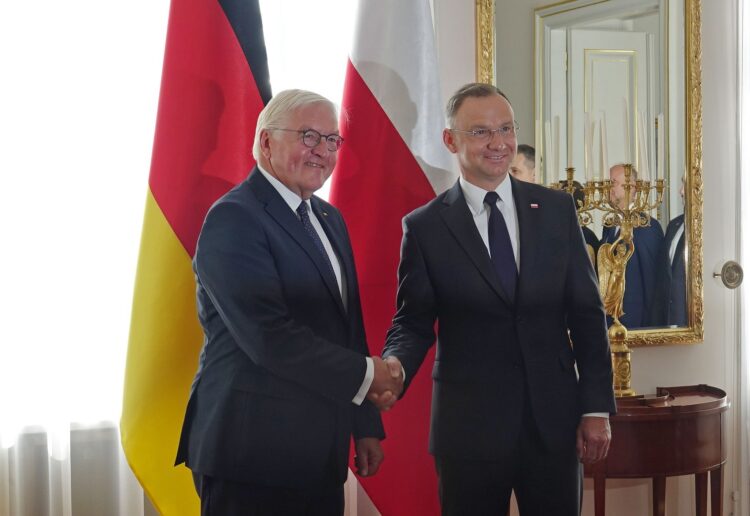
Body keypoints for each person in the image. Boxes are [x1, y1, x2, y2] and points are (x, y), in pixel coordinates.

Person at [378, 83, 616, 516]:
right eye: (481, 132)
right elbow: (412, 321)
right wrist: (394, 365)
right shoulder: (425, 227)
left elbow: (586, 315)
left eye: (505, 129)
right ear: (451, 140)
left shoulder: (557, 211)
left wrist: (596, 406)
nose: (498, 143)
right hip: (468, 429)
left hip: (552, 423)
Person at [175, 89, 401, 515]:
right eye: (309, 136)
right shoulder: (234, 218)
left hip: (317, 450)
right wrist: (367, 375)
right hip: (249, 454)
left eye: (332, 140)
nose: (323, 152)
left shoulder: (328, 219)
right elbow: (268, 336)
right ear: (265, 142)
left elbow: (346, 326)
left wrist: (364, 423)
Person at [601, 164, 664, 328]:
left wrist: (651, 329)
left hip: (635, 324)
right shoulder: (609, 224)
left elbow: (653, 284)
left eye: (613, 182)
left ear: (632, 187)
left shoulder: (647, 226)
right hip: (609, 322)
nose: (608, 188)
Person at [650, 176, 687, 326]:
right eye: (682, 184)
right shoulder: (674, 225)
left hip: (690, 323)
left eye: (686, 184)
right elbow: (662, 277)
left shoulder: (707, 228)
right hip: (667, 321)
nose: (681, 191)